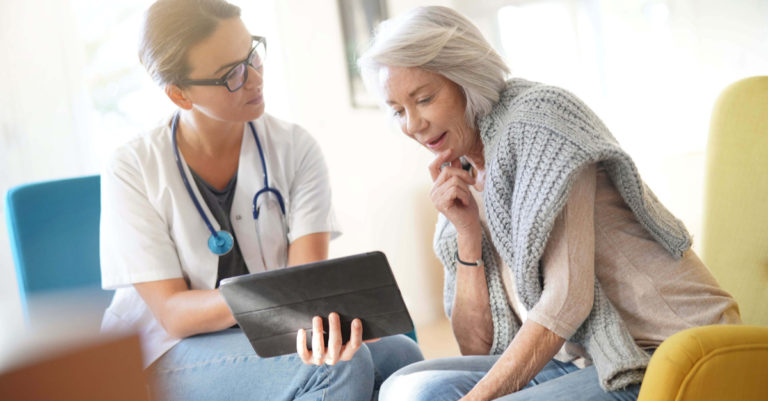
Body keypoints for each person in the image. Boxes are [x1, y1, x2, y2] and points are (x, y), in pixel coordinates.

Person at [358, 6, 740, 401]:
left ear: (464, 78)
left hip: (670, 350)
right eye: (398, 110)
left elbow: (567, 300)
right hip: (579, 359)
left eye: (424, 99)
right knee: (406, 390)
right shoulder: (460, 170)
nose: (412, 125)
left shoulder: (539, 122)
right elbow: (477, 347)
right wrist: (468, 234)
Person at [99, 1, 422, 400]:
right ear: (180, 94)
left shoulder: (294, 148)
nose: (254, 78)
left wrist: (307, 315)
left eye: (252, 53)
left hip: (264, 335)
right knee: (339, 367)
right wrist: (267, 301)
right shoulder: (132, 168)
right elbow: (173, 314)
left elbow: (306, 290)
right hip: (162, 352)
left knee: (401, 358)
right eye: (230, 73)